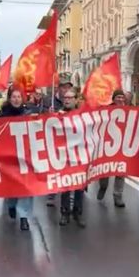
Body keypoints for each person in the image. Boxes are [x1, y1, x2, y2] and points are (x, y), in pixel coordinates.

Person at [0, 89, 34, 231]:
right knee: (12, 185)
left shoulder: (29, 114)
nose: (16, 99)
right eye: (13, 97)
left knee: (26, 187)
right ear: (9, 98)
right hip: (9, 157)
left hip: (26, 156)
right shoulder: (2, 116)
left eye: (19, 96)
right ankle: (11, 205)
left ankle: (24, 216)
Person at [58, 90, 86, 228]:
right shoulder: (57, 115)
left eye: (70, 97)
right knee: (66, 185)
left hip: (79, 155)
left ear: (76, 99)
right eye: (65, 97)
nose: (67, 100)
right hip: (64, 156)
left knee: (79, 186)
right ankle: (64, 212)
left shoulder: (82, 115)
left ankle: (78, 212)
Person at [96, 90, 127, 208]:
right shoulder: (106, 110)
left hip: (122, 146)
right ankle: (103, 187)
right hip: (107, 145)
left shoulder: (130, 111)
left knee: (121, 171)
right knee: (105, 170)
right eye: (118, 97)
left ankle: (118, 196)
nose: (120, 99)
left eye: (122, 97)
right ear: (113, 99)